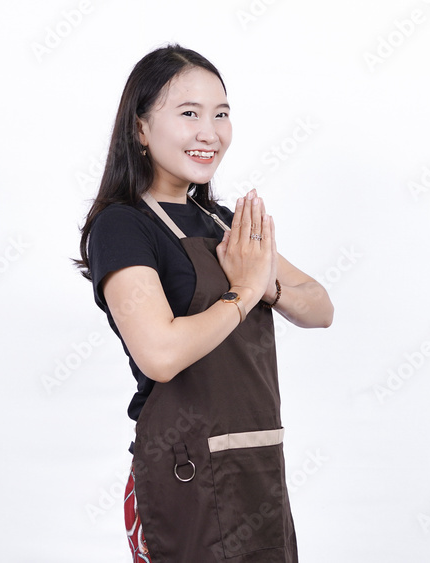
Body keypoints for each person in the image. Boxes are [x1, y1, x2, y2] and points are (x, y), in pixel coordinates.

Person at [75, 44, 334, 562]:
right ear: (140, 128)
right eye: (189, 114)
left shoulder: (225, 222)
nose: (209, 133)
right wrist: (244, 292)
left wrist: (266, 285)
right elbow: (160, 354)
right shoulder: (122, 227)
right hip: (182, 474)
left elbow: (320, 307)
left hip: (256, 462)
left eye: (221, 114)